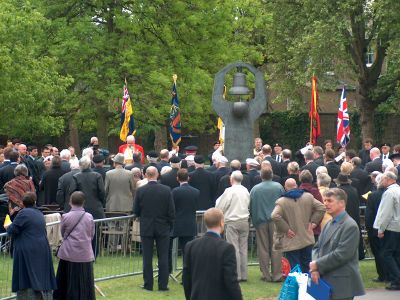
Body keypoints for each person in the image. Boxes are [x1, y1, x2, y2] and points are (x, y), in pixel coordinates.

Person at [310, 188, 365, 300]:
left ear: (341, 203)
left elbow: (342, 254)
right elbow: (317, 247)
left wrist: (317, 264)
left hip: (342, 285)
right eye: (324, 200)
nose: (325, 203)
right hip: (326, 280)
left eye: (330, 201)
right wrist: (315, 268)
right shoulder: (329, 224)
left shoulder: (350, 225)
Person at [182, 208, 243, 300]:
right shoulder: (227, 248)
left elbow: (186, 278)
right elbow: (231, 281)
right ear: (222, 222)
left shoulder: (190, 246)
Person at [5, 192, 57, 299]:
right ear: (35, 202)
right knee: (40, 273)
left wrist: (7, 225)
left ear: (23, 203)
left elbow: (12, 230)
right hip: (42, 246)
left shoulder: (23, 213)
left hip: (28, 248)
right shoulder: (39, 213)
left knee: (26, 276)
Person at [134, 166, 175, 291]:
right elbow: (171, 211)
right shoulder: (166, 190)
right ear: (157, 175)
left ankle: (148, 284)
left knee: (147, 257)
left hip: (147, 226)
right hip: (163, 227)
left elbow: (136, 211)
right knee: (163, 256)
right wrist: (169, 224)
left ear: (146, 175)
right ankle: (163, 285)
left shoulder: (141, 191)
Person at [272, 178, 325, 273]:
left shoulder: (282, 201)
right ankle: (308, 286)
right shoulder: (308, 196)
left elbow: (274, 215)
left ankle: (298, 286)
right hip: (306, 237)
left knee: (295, 267)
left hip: (292, 239)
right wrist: (313, 223)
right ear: (296, 185)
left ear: (285, 188)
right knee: (307, 265)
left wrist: (286, 229)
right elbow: (321, 207)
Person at [54, 191, 95, 300]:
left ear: (70, 202)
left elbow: (62, 234)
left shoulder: (66, 216)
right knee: (85, 280)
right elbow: (91, 234)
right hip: (85, 253)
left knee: (65, 280)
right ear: (83, 202)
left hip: (68, 253)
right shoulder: (89, 217)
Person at [250, 167, 284, 282]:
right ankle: (277, 275)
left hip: (260, 221)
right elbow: (283, 203)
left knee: (263, 248)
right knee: (276, 247)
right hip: (275, 221)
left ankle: (265, 274)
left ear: (261, 176)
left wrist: (254, 221)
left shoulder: (255, 189)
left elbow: (252, 206)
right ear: (272, 175)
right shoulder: (279, 187)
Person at [216, 170, 250, 282]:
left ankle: (237, 274)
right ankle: (244, 274)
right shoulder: (246, 190)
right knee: (243, 248)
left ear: (232, 179)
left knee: (234, 248)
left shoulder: (229, 191)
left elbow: (222, 205)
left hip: (232, 221)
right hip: (244, 220)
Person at [373, 171, 400, 290]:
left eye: (383, 179)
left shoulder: (389, 193)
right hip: (398, 226)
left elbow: (385, 213)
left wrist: (380, 229)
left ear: (388, 179)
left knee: (386, 253)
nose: (381, 181)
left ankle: (396, 279)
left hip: (392, 227)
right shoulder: (398, 190)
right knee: (396, 254)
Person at [169, 169, 199, 273]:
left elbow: (172, 207)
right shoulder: (196, 192)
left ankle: (168, 270)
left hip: (176, 223)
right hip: (189, 223)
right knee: (187, 252)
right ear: (188, 178)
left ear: (177, 178)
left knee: (168, 248)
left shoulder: (174, 192)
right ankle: (187, 274)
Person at [365, 173, 387, 283]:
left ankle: (382, 275)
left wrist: (369, 228)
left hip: (375, 228)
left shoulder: (373, 196)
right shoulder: (389, 193)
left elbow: (369, 214)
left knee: (378, 253)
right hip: (389, 228)